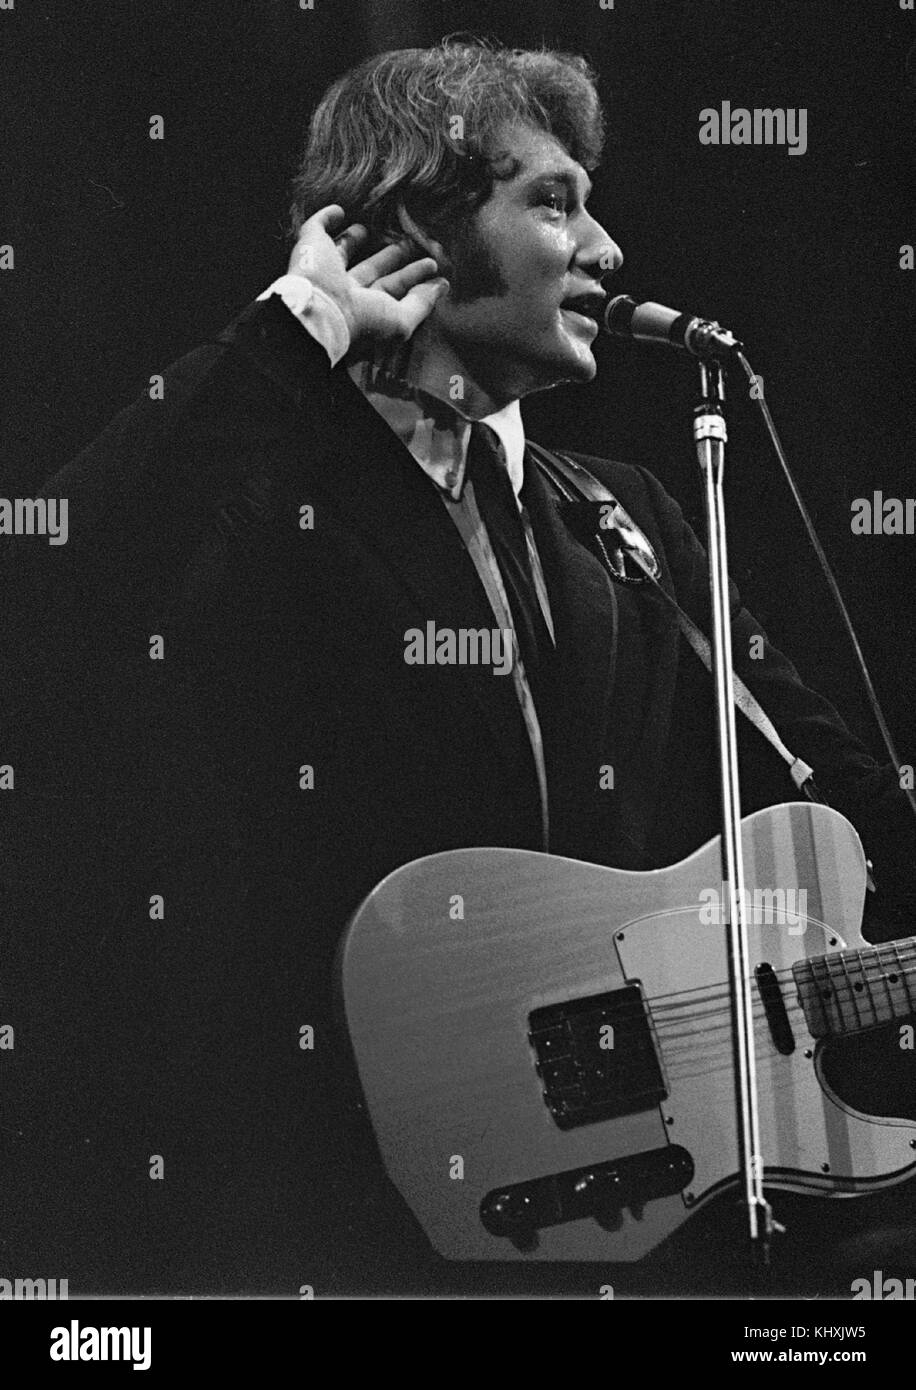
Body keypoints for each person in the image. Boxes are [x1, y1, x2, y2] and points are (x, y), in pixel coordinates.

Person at [2, 38, 914, 1299]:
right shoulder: (267, 482)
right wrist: (302, 327)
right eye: (553, 201)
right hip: (313, 1193)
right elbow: (46, 596)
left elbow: (839, 776)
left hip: (618, 1193)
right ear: (417, 230)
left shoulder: (626, 513)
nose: (606, 252)